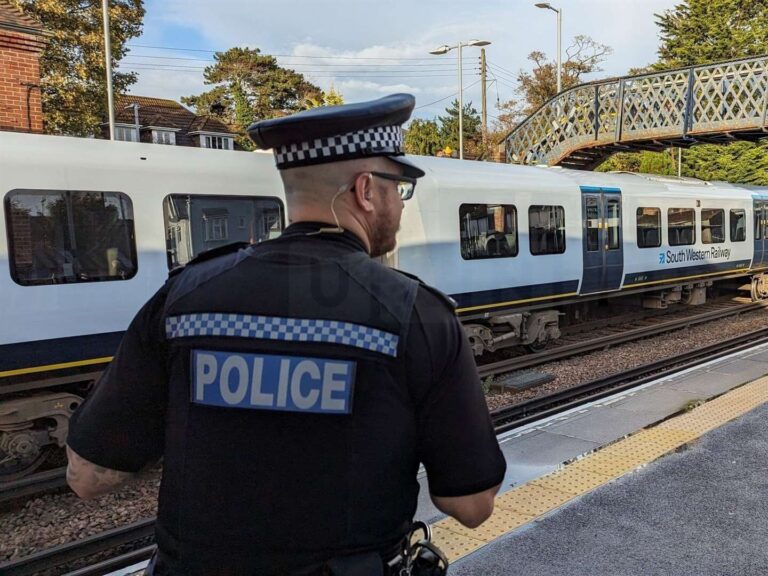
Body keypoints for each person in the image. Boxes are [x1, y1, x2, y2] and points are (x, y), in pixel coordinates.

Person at [65, 94, 507, 575]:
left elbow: (89, 477)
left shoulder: (184, 298)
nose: (398, 206)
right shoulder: (416, 314)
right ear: (365, 191)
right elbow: (471, 504)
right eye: (398, 189)